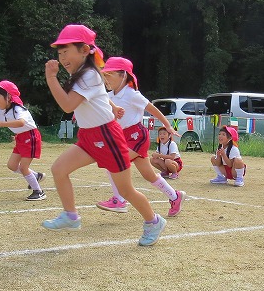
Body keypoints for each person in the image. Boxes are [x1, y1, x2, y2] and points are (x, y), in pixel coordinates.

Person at [42, 24, 167, 246]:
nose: (62, 57)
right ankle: (71, 216)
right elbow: (99, 95)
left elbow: (68, 105)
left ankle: (154, 221)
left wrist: (51, 78)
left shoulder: (89, 75)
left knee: (125, 190)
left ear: (84, 50)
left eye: (66, 51)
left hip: (107, 137)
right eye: (59, 53)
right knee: (59, 169)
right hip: (89, 136)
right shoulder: (81, 74)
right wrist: (112, 105)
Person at [96, 57, 186, 217]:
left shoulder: (132, 94)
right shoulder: (110, 96)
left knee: (113, 162)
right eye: (104, 75)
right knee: (148, 175)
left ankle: (119, 200)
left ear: (124, 75)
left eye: (110, 75)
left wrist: (168, 126)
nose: (106, 79)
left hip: (137, 136)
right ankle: (175, 197)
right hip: (123, 137)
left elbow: (152, 109)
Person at [0, 81, 45, 201]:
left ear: (9, 96)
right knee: (12, 165)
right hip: (21, 138)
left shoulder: (18, 109)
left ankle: (39, 192)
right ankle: (36, 176)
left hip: (31, 137)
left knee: (23, 167)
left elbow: (21, 122)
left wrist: (2, 124)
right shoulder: (2, 111)